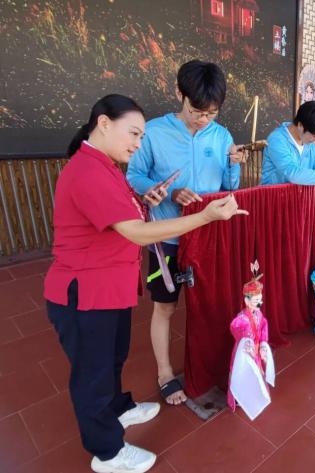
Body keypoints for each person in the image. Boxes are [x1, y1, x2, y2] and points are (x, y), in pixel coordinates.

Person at [44, 94, 247, 473]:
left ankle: (119, 408)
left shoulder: (106, 166)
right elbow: (136, 232)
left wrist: (147, 199)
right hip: (84, 292)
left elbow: (126, 214)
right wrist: (205, 217)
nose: (139, 143)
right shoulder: (87, 171)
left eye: (141, 135)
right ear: (104, 123)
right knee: (92, 375)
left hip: (109, 288)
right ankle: (107, 452)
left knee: (113, 357)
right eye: (134, 133)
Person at [127, 60, 246, 407]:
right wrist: (168, 192)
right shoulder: (154, 132)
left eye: (211, 113)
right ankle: (165, 373)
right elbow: (134, 176)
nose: (203, 119)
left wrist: (234, 167)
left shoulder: (222, 136)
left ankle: (211, 365)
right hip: (167, 238)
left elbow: (229, 187)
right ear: (179, 93)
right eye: (197, 111)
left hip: (209, 237)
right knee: (165, 307)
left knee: (210, 305)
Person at [260, 101, 315, 188]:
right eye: (314, 136)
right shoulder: (277, 140)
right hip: (272, 196)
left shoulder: (309, 143)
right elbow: (292, 174)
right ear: (300, 125)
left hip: (295, 197)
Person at [227, 264, 275, 420]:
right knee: (244, 372)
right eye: (256, 301)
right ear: (247, 301)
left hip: (256, 349)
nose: (259, 303)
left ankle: (254, 393)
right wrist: (246, 342)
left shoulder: (259, 315)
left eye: (260, 300)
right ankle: (239, 397)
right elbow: (234, 327)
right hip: (245, 351)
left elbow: (264, 326)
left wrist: (263, 344)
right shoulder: (242, 318)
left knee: (256, 372)